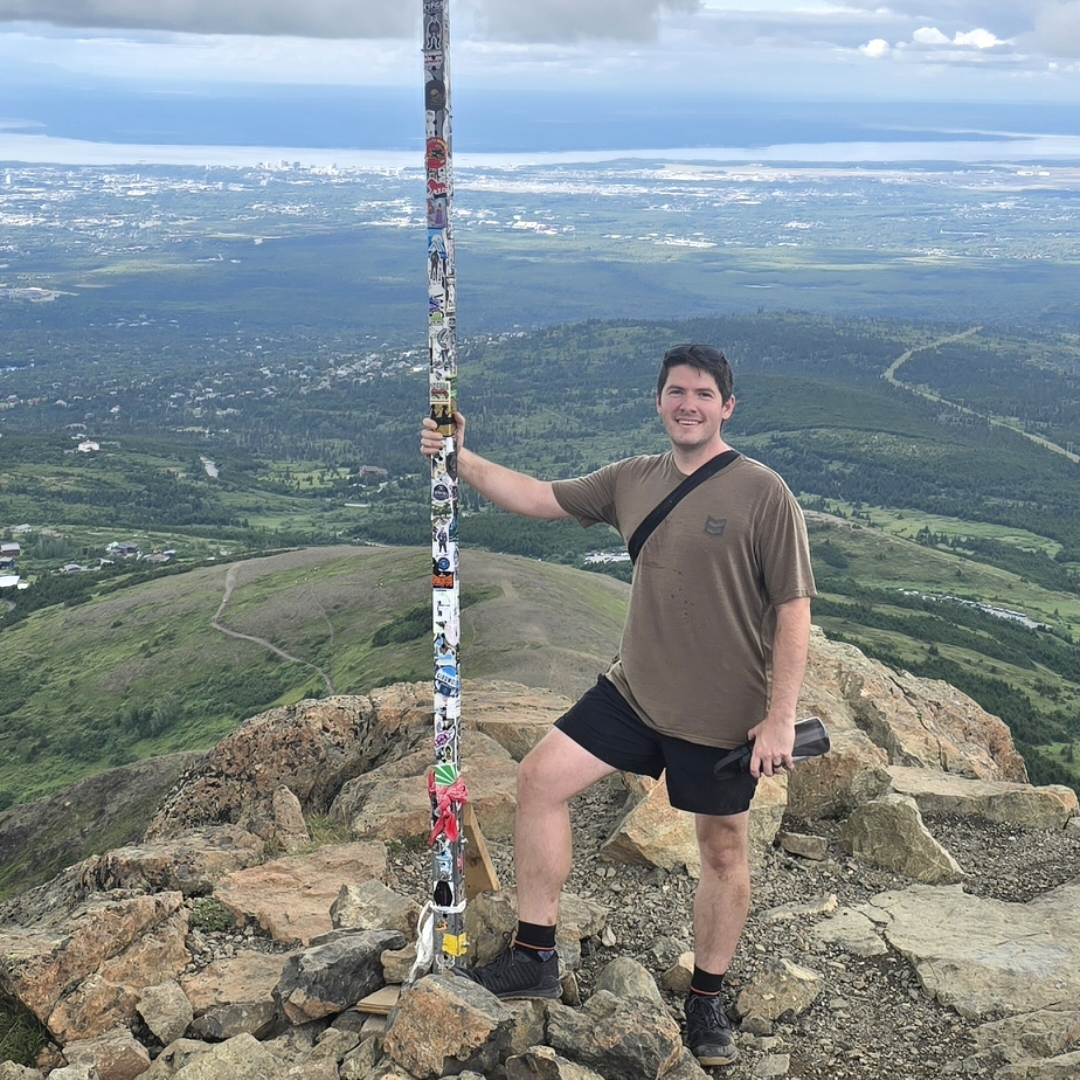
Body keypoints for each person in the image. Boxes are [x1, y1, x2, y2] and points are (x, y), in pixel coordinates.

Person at [419, 343, 815, 1067]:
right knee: (539, 779)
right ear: (659, 400)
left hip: (722, 715)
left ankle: (706, 999)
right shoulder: (634, 479)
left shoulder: (764, 493)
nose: (687, 404)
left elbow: (794, 607)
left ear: (727, 406)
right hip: (633, 692)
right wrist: (460, 460)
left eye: (702, 393)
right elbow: (539, 497)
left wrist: (780, 715)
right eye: (675, 392)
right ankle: (535, 954)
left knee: (722, 849)